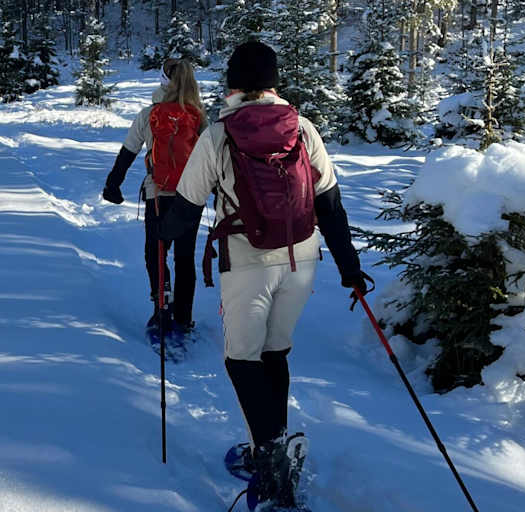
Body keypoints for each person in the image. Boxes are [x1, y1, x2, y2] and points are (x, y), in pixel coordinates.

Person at [159, 42, 368, 508]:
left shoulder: (219, 134)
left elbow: (187, 209)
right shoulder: (303, 129)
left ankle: (272, 465)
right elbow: (331, 206)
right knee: (274, 351)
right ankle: (269, 448)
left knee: (241, 359)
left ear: (232, 84)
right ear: (274, 83)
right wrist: (350, 269)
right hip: (302, 259)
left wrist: (162, 233)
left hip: (247, 263)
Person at [101, 59, 207, 339]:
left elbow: (128, 152)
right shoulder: (198, 116)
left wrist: (113, 186)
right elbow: (210, 159)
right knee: (185, 256)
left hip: (159, 194)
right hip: (191, 196)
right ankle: (184, 316)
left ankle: (162, 306)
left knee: (156, 252)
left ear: (162, 81)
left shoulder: (150, 114)